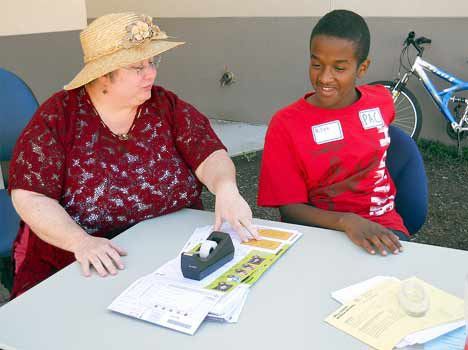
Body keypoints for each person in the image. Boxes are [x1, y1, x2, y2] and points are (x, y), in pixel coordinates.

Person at [8, 12, 259, 298]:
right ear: (103, 73)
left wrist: (225, 187)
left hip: (172, 251)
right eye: (136, 67)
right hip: (91, 263)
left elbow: (208, 152)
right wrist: (80, 241)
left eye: (151, 62)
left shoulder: (164, 105)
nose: (150, 73)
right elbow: (30, 196)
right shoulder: (59, 118)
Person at [258, 9, 409, 256]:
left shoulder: (381, 101)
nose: (324, 77)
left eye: (339, 68)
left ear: (363, 67)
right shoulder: (286, 124)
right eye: (316, 64)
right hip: (319, 231)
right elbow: (290, 208)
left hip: (382, 226)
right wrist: (346, 221)